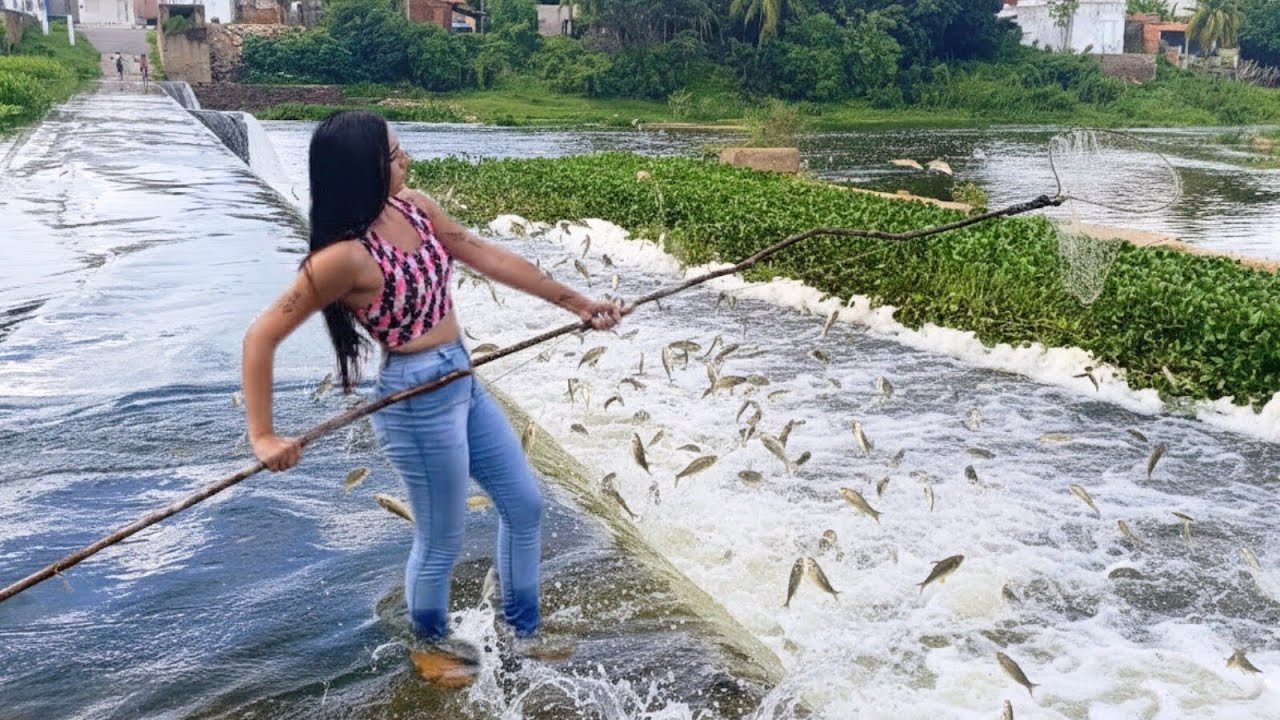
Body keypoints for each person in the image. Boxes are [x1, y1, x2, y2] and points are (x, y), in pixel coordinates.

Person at [240, 111, 621, 686]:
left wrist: (576, 303)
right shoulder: (342, 258)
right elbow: (261, 335)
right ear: (363, 170)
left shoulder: (413, 206)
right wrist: (263, 435)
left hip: (461, 377)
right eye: (394, 156)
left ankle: (524, 628)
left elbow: (482, 251)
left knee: (524, 504)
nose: (406, 161)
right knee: (441, 537)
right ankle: (427, 643)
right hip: (415, 399)